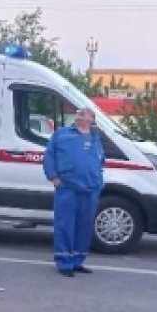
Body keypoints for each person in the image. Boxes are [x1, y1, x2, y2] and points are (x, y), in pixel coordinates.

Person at [43, 106, 104, 277]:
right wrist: (54, 177)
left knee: (84, 226)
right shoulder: (62, 134)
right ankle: (64, 263)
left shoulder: (95, 138)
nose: (80, 115)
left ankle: (78, 260)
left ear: (91, 119)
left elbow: (100, 160)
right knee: (65, 225)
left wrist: (99, 180)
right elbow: (49, 156)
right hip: (67, 188)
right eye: (79, 113)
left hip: (90, 188)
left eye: (84, 113)